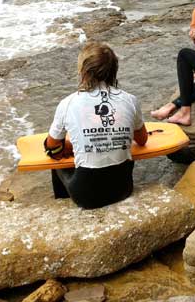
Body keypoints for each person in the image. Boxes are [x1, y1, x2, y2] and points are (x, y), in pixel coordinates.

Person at [44, 41, 148, 209]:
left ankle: (61, 204)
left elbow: (52, 146)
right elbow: (142, 140)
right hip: (123, 188)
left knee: (55, 155)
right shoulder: (130, 100)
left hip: (86, 196)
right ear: (114, 70)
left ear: (83, 72)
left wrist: (74, 144)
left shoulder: (68, 103)